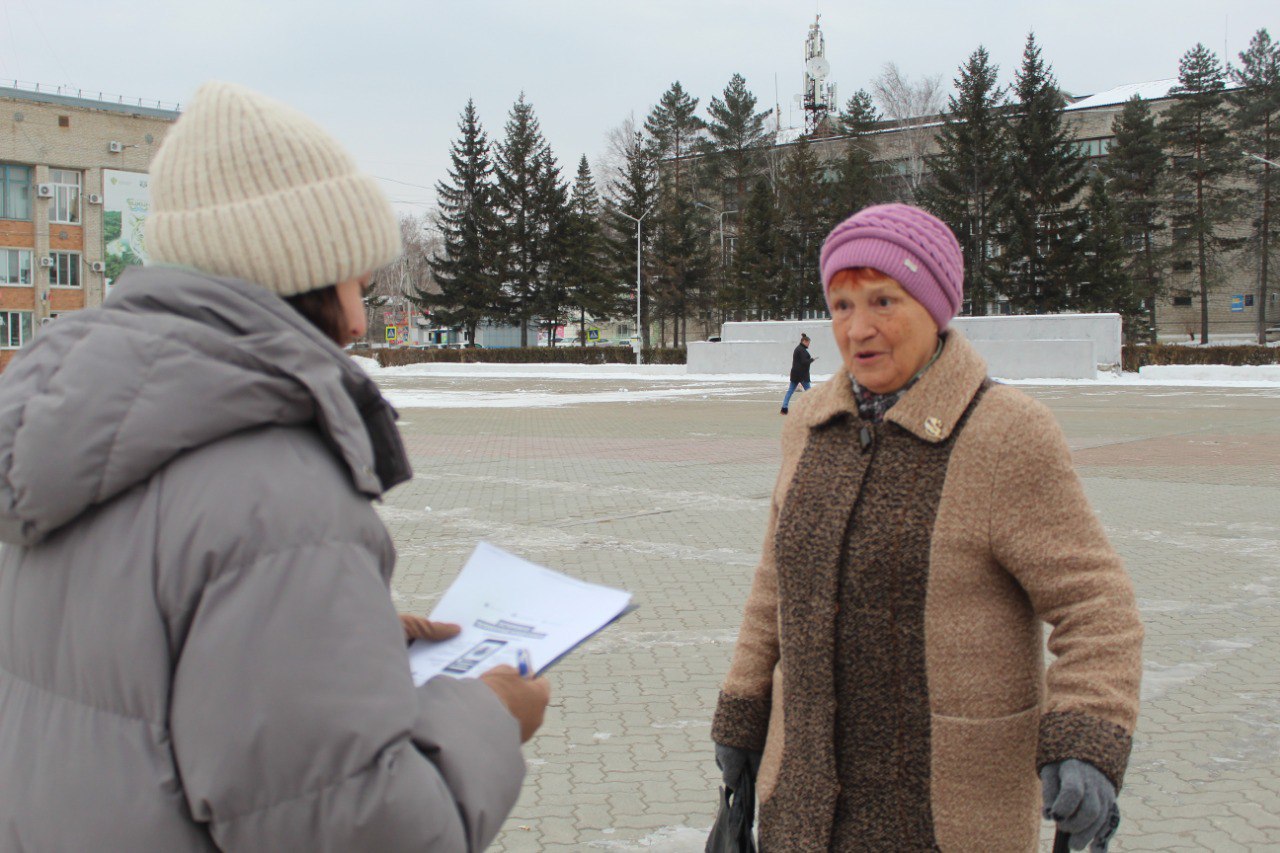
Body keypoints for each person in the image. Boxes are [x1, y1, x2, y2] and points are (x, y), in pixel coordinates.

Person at [0, 82, 549, 851]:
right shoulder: (273, 484)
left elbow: (131, 660)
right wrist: (490, 715)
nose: (361, 320)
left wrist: (342, 637)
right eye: (354, 281)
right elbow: (360, 828)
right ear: (298, 270)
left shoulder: (75, 431)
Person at [711, 204, 1143, 852]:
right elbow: (774, 582)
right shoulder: (807, 424)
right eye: (842, 304)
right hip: (800, 808)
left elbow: (1097, 605)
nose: (858, 328)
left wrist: (1085, 733)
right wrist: (742, 710)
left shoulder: (1005, 433)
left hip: (947, 815)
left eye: (883, 300)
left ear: (936, 306)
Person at [781, 333, 815, 414]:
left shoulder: (799, 349)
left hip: (796, 374)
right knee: (809, 392)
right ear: (804, 341)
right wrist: (811, 360)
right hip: (802, 375)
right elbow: (804, 362)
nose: (808, 344)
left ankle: (784, 408)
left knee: (790, 391)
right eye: (808, 343)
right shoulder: (801, 350)